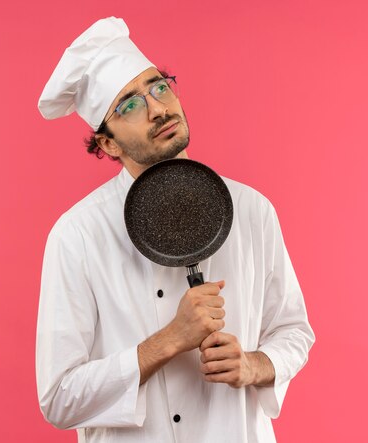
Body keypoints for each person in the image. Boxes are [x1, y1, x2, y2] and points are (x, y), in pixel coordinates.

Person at [36, 17, 315, 443]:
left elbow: (293, 329)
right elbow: (58, 397)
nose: (158, 108)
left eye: (159, 87)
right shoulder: (77, 236)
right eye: (129, 105)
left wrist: (256, 365)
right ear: (108, 143)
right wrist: (169, 340)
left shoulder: (250, 209)